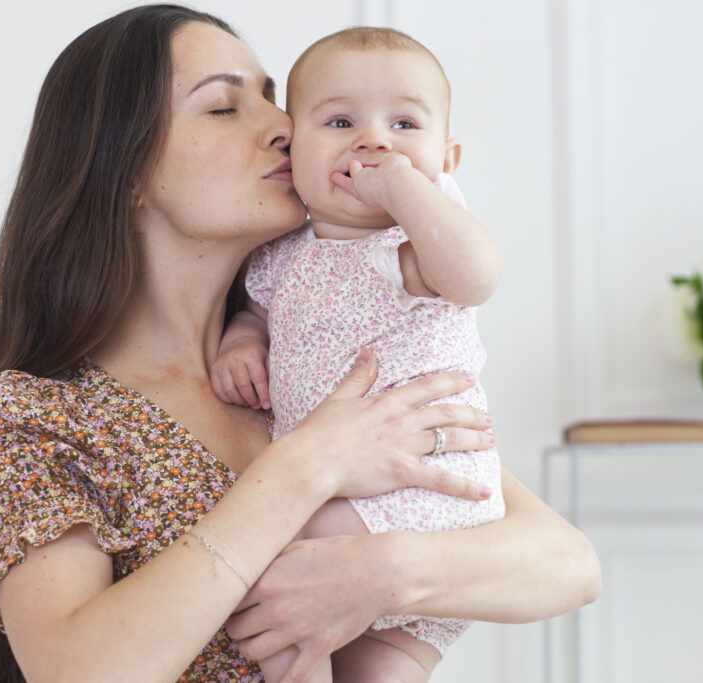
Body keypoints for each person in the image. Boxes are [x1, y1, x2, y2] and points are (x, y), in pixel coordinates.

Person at [0, 5, 601, 682]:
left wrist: (384, 572)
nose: (283, 127)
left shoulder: (323, 360)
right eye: (224, 107)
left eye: (273, 99)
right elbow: (79, 670)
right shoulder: (43, 419)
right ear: (125, 170)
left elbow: (568, 562)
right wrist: (307, 466)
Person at [210, 27, 506, 682]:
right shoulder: (282, 259)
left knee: (277, 573)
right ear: (297, 152)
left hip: (420, 498)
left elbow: (475, 276)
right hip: (356, 490)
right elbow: (260, 314)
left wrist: (405, 190)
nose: (374, 141)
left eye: (404, 123)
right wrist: (243, 341)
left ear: (447, 157)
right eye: (341, 120)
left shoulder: (413, 241)